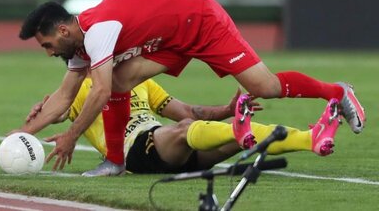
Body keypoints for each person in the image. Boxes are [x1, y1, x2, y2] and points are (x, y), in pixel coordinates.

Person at [17, 0, 365, 176]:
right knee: (123, 79)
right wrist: (19, 137)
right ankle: (115, 161)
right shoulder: (78, 47)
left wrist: (71, 137)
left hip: (200, 21)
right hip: (169, 40)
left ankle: (337, 91)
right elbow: (63, 99)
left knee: (265, 87)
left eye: (47, 45)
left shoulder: (97, 32)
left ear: (63, 30)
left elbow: (101, 91)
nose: (48, 52)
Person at [26, 79, 342, 175]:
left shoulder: (140, 81)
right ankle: (236, 127)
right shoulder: (80, 87)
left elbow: (186, 110)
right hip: (135, 153)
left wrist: (226, 109)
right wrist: (39, 115)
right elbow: (52, 114)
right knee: (186, 129)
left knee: (238, 133)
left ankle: (311, 139)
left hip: (168, 145)